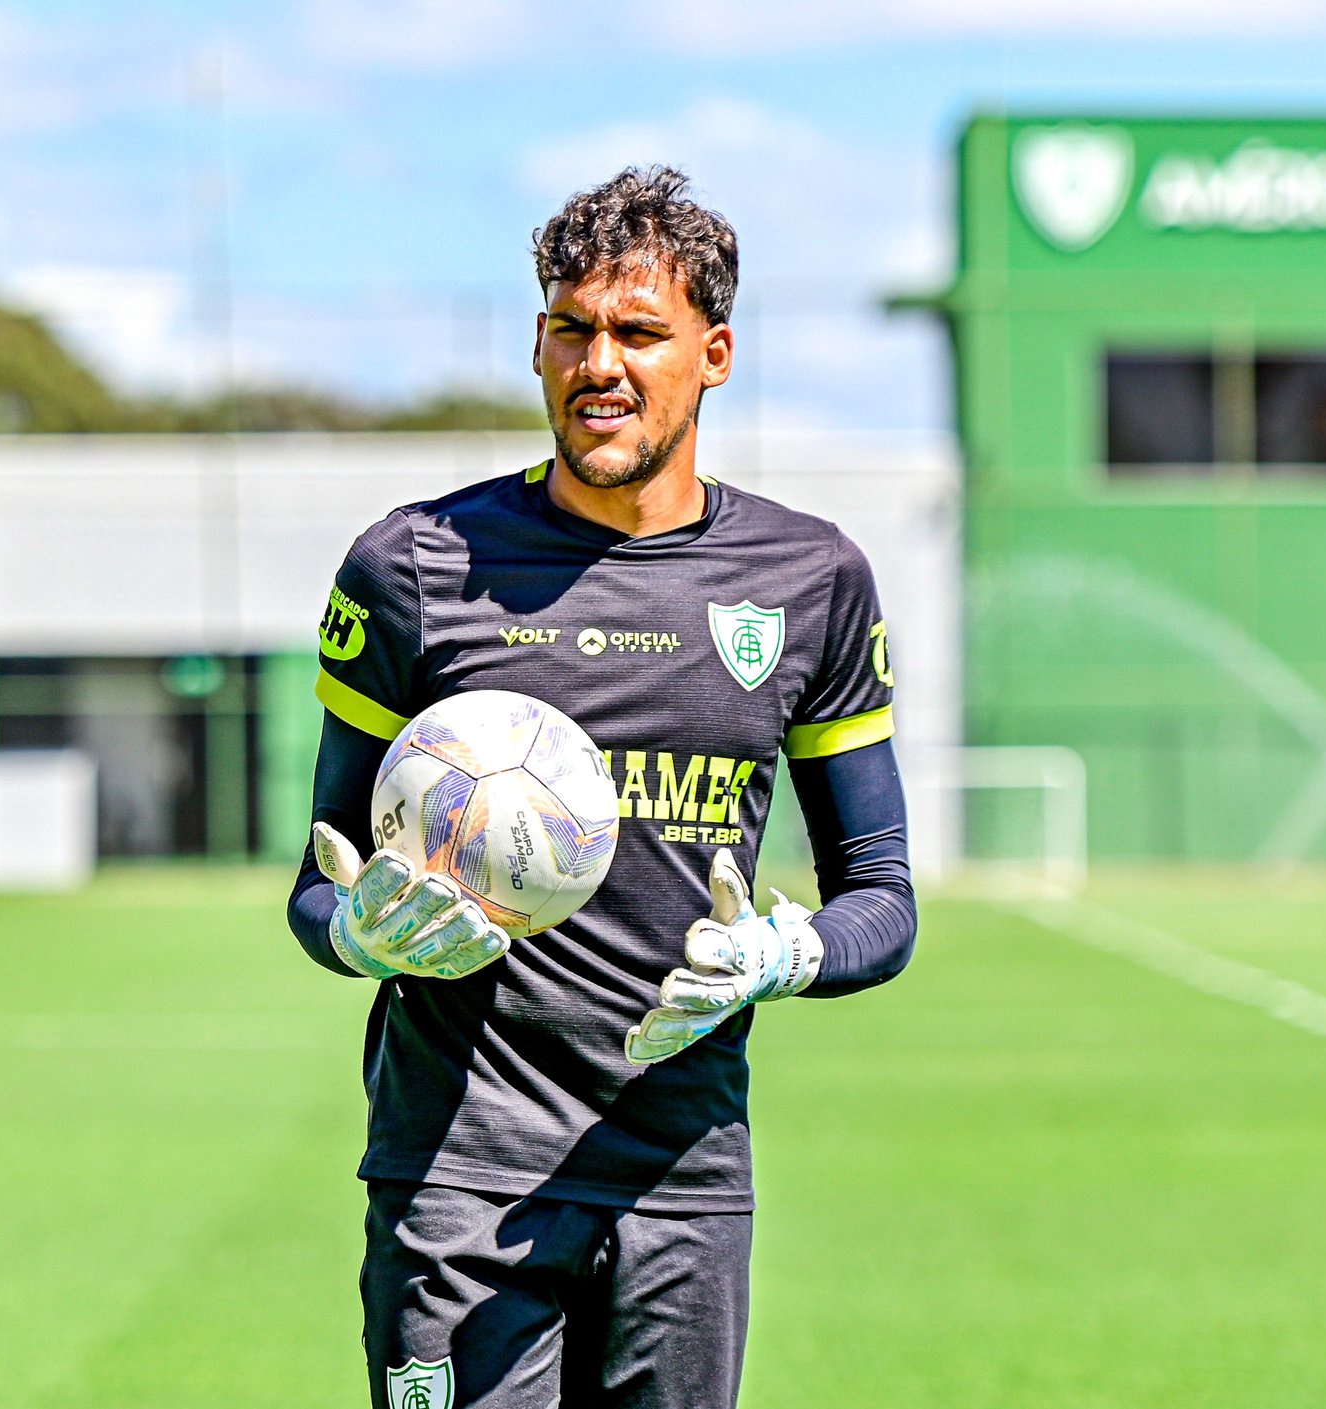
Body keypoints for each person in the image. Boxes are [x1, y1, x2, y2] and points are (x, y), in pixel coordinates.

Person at [288, 165, 918, 1409]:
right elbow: (315, 887)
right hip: (455, 1171)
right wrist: (357, 933)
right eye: (572, 329)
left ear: (714, 353)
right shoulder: (414, 565)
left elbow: (882, 896)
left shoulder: (809, 579)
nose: (599, 365)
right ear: (537, 344)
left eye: (638, 331)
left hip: (682, 1174)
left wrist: (783, 952)